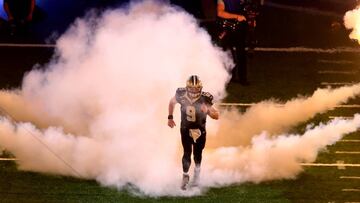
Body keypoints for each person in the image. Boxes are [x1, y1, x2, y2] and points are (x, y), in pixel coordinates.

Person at [167, 75, 219, 190]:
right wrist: (170, 117)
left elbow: (217, 116)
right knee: (186, 152)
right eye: (192, 88)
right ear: (187, 87)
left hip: (200, 130)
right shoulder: (181, 94)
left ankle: (197, 173)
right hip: (185, 128)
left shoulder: (205, 98)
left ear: (200, 88)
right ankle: (185, 175)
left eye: (196, 88)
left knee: (197, 153)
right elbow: (171, 102)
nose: (194, 91)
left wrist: (208, 112)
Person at [217, 0, 250, 85]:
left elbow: (245, 9)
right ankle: (230, 77)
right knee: (228, 53)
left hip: (239, 28)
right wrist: (237, 16)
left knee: (241, 53)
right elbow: (220, 13)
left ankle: (242, 78)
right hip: (226, 28)